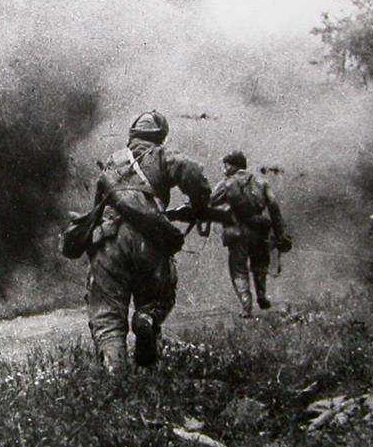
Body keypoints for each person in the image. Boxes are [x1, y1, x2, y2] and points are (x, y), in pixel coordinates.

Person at [85, 111, 212, 370]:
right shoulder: (161, 155)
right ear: (160, 136)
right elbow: (193, 173)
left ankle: (114, 373)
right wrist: (199, 206)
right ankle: (146, 318)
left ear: (132, 134)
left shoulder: (112, 161)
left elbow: (97, 208)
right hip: (148, 238)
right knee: (157, 297)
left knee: (107, 313)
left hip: (109, 240)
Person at [209, 151, 288, 318]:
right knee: (260, 265)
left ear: (232, 165)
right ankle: (261, 295)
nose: (224, 168)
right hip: (259, 231)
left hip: (236, 233)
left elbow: (208, 203)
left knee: (238, 270)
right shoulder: (262, 182)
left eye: (226, 164)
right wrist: (280, 234)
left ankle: (246, 307)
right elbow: (274, 208)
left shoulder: (225, 184)